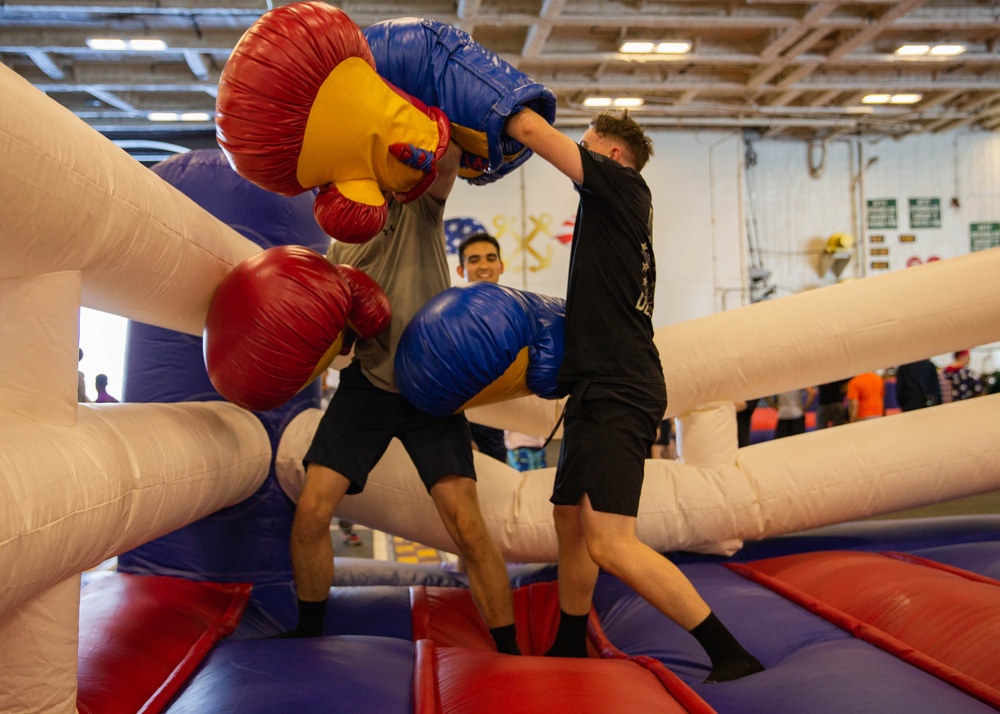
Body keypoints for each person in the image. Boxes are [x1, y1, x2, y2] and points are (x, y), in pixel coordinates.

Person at [504, 107, 763, 682]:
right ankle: (572, 642)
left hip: (619, 384)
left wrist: (487, 105)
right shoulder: (614, 206)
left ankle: (729, 651)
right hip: (603, 382)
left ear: (611, 155)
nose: (579, 150)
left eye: (587, 143)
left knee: (611, 542)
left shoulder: (619, 183)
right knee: (567, 517)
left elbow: (530, 132)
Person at [289, 142, 520, 654]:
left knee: (466, 524)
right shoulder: (339, 244)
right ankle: (306, 639)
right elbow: (336, 327)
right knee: (310, 510)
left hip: (431, 387)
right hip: (368, 387)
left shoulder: (418, 202)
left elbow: (447, 165)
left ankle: (509, 650)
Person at [455, 231, 543, 468]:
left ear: (501, 266)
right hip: (456, 422)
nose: (483, 265)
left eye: (490, 258)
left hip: (497, 426)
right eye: (474, 260)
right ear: (461, 270)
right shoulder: (449, 315)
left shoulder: (520, 313)